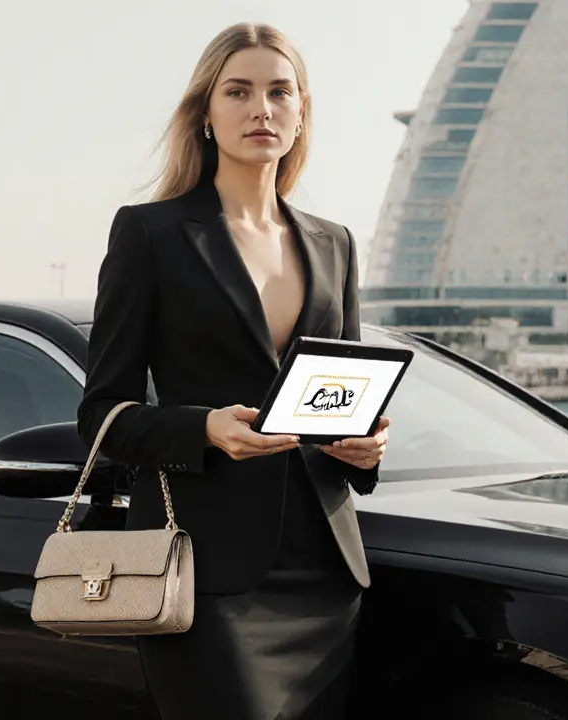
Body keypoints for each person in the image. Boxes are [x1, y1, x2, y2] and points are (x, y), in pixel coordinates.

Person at [76, 21, 388, 720]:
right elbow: (101, 418)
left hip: (325, 571)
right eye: (239, 92)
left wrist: (365, 449)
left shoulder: (332, 243)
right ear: (206, 114)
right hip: (205, 570)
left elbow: (344, 401)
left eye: (280, 92)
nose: (262, 110)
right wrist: (205, 430)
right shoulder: (150, 234)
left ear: (301, 111)